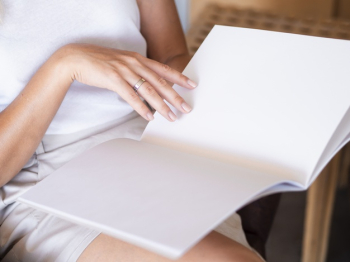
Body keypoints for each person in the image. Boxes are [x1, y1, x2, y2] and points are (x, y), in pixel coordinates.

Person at [0, 1, 264, 261]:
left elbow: (170, 56)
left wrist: (219, 108)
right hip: (45, 178)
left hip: (150, 140)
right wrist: (64, 65)